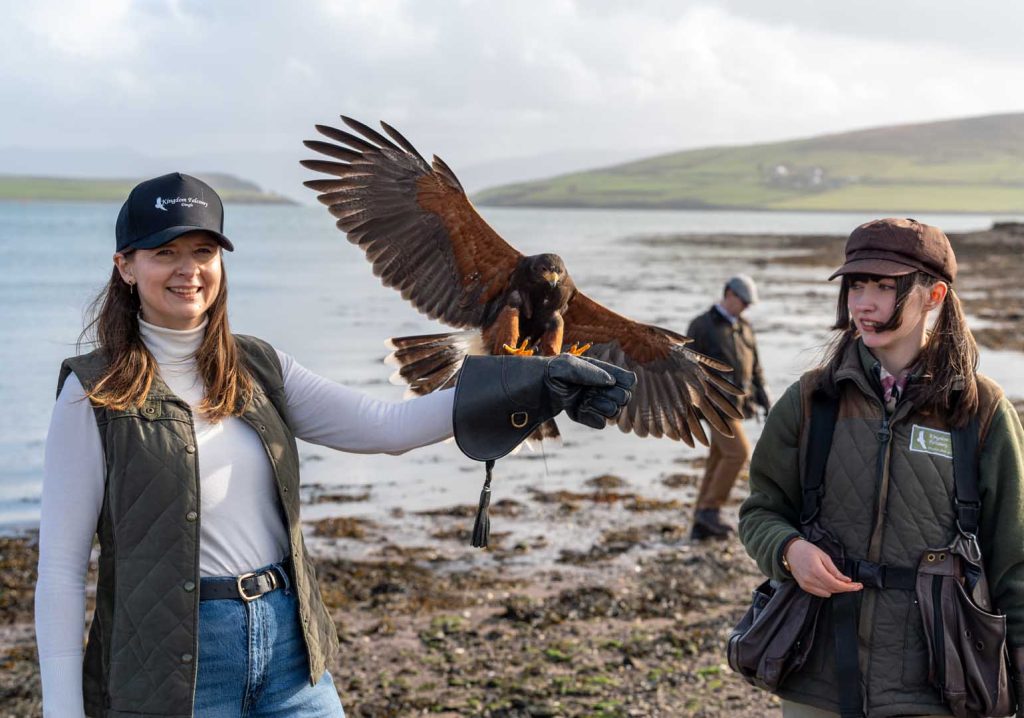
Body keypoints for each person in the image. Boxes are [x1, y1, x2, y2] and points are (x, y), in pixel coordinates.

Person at [34, 173, 634, 718]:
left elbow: (387, 427)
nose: (188, 269)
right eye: (164, 252)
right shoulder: (93, 393)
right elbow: (61, 570)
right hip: (169, 673)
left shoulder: (259, 367)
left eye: (203, 251)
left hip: (291, 652)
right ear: (126, 266)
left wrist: (533, 383)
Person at [738, 218, 1024, 717]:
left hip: (938, 685)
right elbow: (760, 512)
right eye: (856, 285)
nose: (863, 304)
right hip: (815, 676)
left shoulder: (982, 412)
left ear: (933, 296)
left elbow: (1015, 564)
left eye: (884, 287)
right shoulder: (809, 400)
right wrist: (789, 551)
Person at [686, 274, 771, 540]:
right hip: (714, 405)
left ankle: (701, 519)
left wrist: (762, 394)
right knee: (738, 453)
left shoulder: (745, 328)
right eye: (743, 301)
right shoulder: (702, 325)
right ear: (729, 294)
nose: (745, 307)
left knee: (719, 457)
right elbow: (687, 368)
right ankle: (711, 509)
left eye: (748, 304)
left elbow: (755, 366)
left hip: (737, 404)